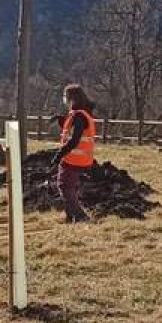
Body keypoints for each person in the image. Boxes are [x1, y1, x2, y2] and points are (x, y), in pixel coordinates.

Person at [50, 84, 96, 223]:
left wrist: (60, 154)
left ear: (70, 98)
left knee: (65, 186)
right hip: (77, 158)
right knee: (69, 187)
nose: (64, 99)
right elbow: (74, 131)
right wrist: (61, 120)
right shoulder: (80, 114)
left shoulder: (79, 116)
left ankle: (80, 216)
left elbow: (75, 139)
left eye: (65, 96)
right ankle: (71, 217)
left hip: (74, 159)